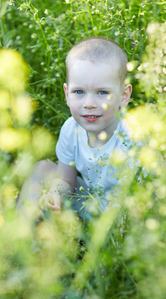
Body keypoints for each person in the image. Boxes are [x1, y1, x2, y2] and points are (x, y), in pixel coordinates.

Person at [18, 37, 133, 219]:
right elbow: (65, 180)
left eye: (102, 92)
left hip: (123, 219)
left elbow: (143, 199)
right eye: (79, 92)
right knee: (43, 169)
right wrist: (56, 193)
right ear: (67, 93)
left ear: (124, 96)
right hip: (88, 206)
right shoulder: (71, 129)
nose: (89, 104)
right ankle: (21, 236)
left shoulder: (132, 137)